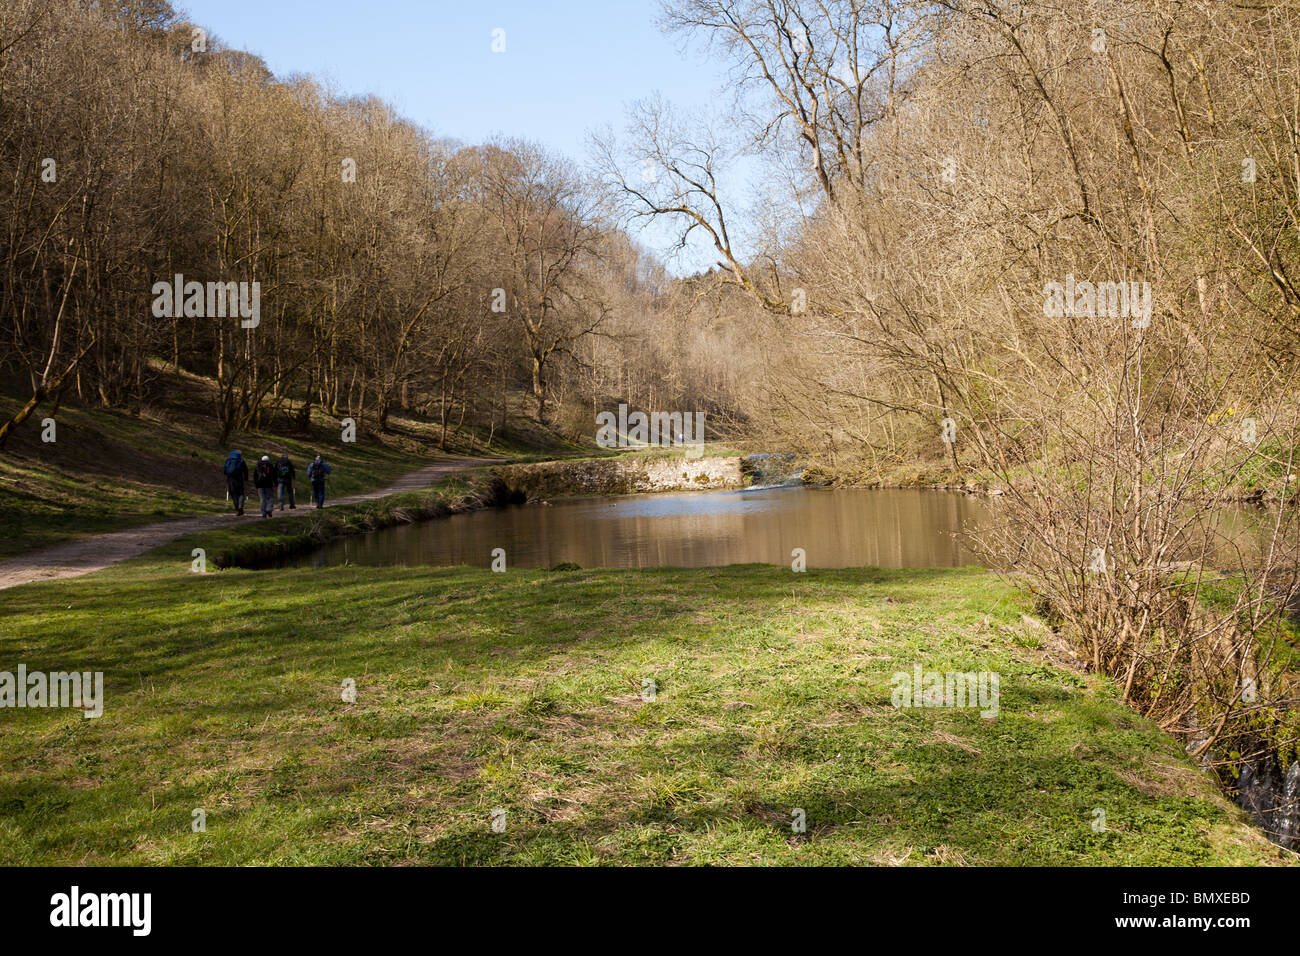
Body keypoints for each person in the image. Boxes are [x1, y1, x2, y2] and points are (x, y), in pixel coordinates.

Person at [223, 450, 249, 516]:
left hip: (230, 480)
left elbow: (225, 471)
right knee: (241, 494)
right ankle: (241, 506)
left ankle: (237, 509)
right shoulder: (241, 461)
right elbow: (246, 471)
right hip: (239, 480)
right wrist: (246, 479)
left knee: (234, 494)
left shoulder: (228, 461)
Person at [253, 454, 277, 519]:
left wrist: (256, 485)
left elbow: (255, 476)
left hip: (260, 485)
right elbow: (274, 476)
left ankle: (263, 513)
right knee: (270, 498)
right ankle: (269, 509)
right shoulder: (270, 465)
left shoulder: (257, 465)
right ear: (268, 460)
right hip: (268, 484)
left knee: (262, 499)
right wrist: (276, 484)